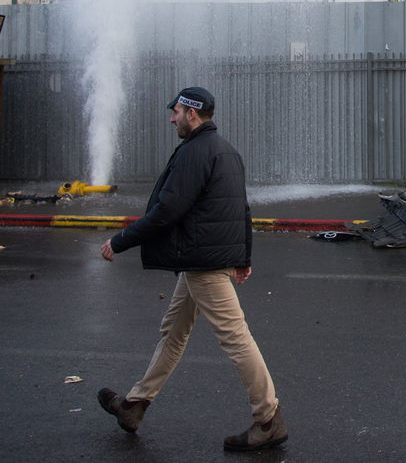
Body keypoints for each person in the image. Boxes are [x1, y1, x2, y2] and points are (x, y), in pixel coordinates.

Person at [97, 86, 286, 453]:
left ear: (192, 113)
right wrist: (244, 256)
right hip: (206, 258)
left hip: (203, 263)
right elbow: (242, 209)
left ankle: (268, 419)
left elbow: (168, 210)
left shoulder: (194, 152)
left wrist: (120, 241)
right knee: (173, 331)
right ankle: (134, 405)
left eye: (176, 112)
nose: (172, 119)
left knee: (235, 337)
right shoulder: (226, 150)